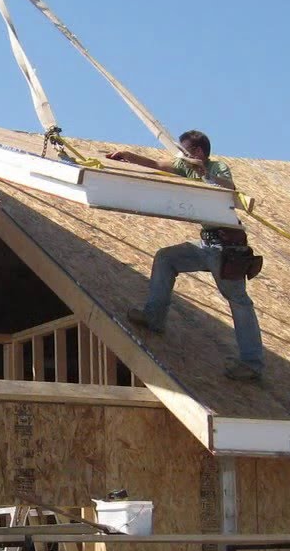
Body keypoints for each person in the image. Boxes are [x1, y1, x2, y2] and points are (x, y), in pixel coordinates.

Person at [106, 130, 265, 381]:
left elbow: (228, 189)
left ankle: (252, 363)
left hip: (227, 247)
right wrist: (128, 156)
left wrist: (204, 172)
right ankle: (154, 316)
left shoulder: (217, 167)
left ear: (199, 152)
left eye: (185, 151)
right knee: (166, 258)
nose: (180, 155)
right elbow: (158, 164)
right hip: (207, 245)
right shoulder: (185, 167)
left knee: (239, 301)